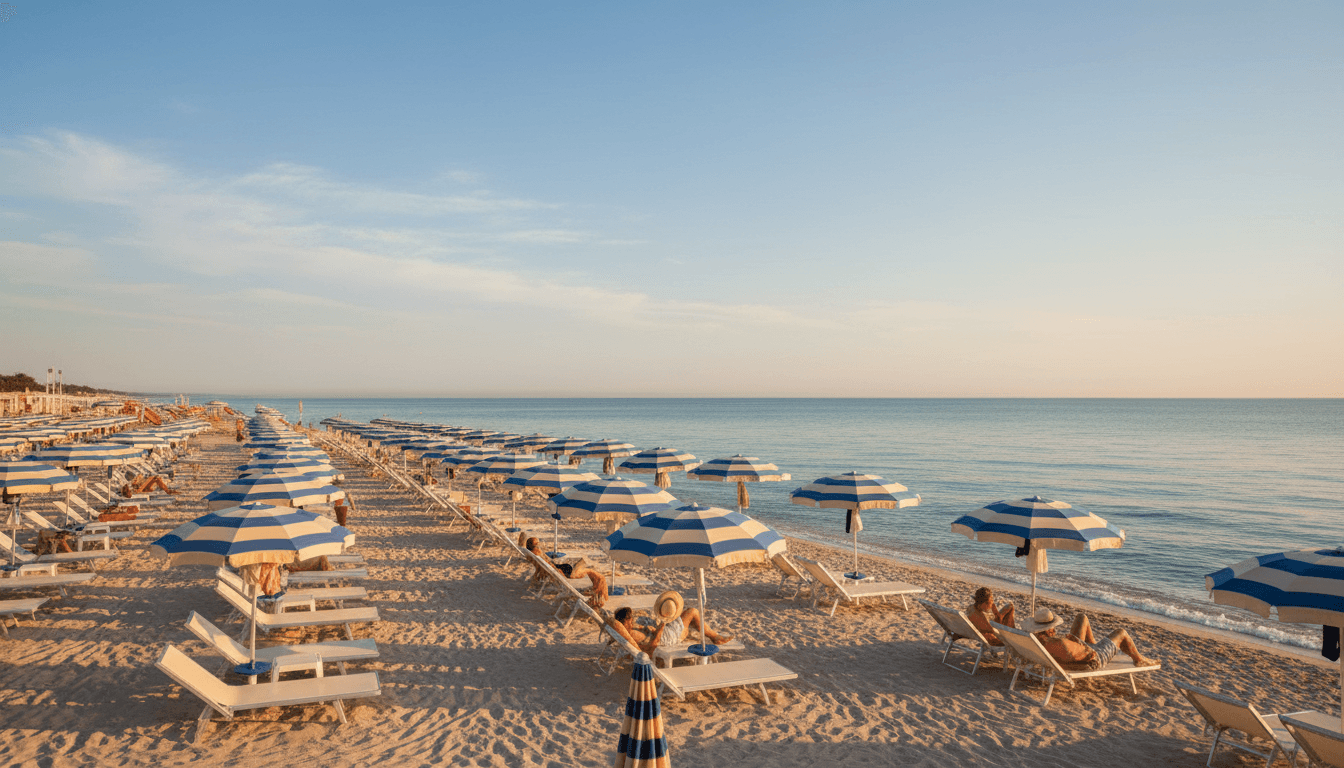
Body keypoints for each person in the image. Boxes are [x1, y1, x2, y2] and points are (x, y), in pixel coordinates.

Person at [1024, 608, 1159, 669]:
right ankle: (1139, 659)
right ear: (1046, 629)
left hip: (1079, 650)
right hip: (1095, 658)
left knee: (1082, 617)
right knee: (1121, 632)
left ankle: (1095, 644)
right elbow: (1085, 657)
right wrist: (1091, 650)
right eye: (1051, 628)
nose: (1054, 630)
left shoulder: (1037, 640)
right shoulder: (1060, 643)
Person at [607, 592, 733, 656]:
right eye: (630, 618)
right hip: (667, 638)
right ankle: (714, 637)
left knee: (686, 617)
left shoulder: (627, 631)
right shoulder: (633, 634)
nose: (632, 620)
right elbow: (653, 645)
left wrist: (647, 628)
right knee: (692, 612)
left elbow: (642, 635)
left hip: (662, 634)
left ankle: (708, 634)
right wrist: (662, 625)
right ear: (624, 621)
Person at [523, 536, 608, 607]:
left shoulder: (534, 555)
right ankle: (598, 593)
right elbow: (552, 569)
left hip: (561, 570)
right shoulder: (538, 552)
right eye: (537, 543)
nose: (539, 544)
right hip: (566, 573)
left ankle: (596, 587)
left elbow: (543, 568)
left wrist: (536, 578)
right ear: (533, 546)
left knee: (590, 570)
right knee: (595, 574)